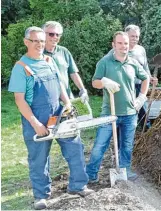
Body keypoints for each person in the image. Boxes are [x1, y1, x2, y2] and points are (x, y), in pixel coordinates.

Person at [8, 26, 93, 210]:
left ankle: (78, 185)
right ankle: (41, 195)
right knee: (39, 158)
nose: (39, 44)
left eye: (41, 40)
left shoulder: (48, 60)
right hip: (36, 117)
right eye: (35, 41)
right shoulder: (21, 67)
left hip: (59, 113)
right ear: (26, 42)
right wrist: (35, 123)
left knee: (75, 148)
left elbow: (60, 85)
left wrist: (68, 103)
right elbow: (19, 100)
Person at [86, 31, 150, 182]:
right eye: (120, 43)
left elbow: (145, 77)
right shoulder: (105, 62)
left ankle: (124, 171)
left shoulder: (133, 62)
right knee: (99, 145)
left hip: (129, 113)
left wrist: (141, 97)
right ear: (113, 45)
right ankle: (91, 175)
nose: (123, 46)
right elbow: (94, 82)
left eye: (126, 43)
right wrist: (104, 82)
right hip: (110, 113)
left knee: (127, 147)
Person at [42, 21, 88, 102]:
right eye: (51, 34)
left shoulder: (64, 51)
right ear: (43, 34)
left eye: (58, 35)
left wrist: (82, 90)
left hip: (67, 97)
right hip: (46, 100)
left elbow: (73, 73)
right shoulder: (37, 53)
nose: (55, 37)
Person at [124, 24, 158, 129]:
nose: (135, 39)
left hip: (140, 85)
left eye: (137, 36)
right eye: (132, 36)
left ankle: (146, 134)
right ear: (126, 35)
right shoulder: (122, 50)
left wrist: (150, 77)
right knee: (127, 112)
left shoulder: (141, 50)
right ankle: (125, 134)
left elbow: (145, 67)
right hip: (126, 86)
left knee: (143, 110)